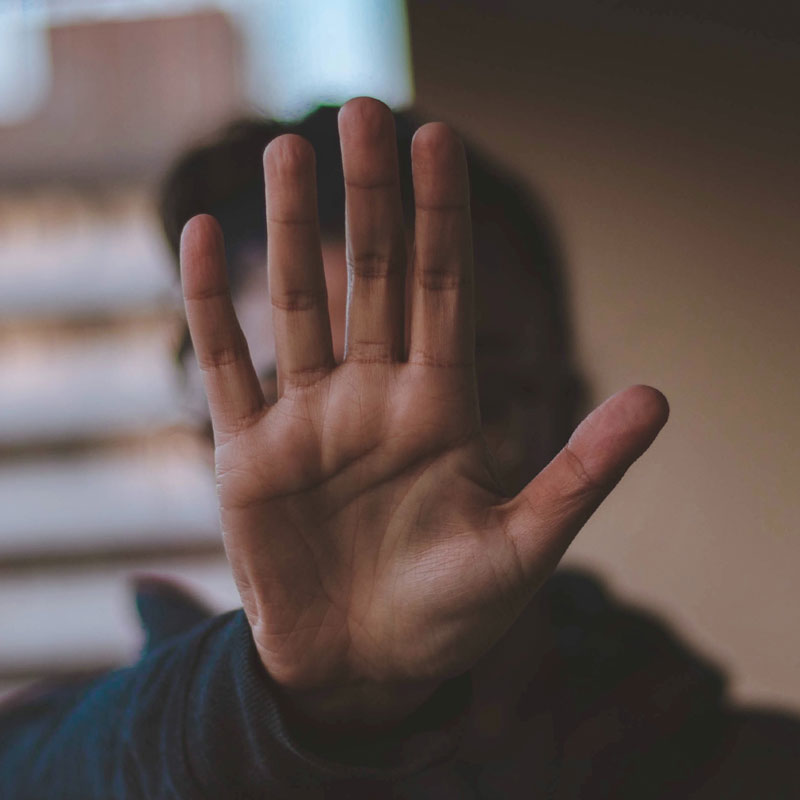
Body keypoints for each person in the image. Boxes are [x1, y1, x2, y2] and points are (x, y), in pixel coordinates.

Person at [1, 97, 798, 799]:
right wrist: (303, 708)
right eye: (299, 401)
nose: (384, 461)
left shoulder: (754, 772)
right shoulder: (104, 756)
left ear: (568, 406)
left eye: (473, 387)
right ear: (204, 446)